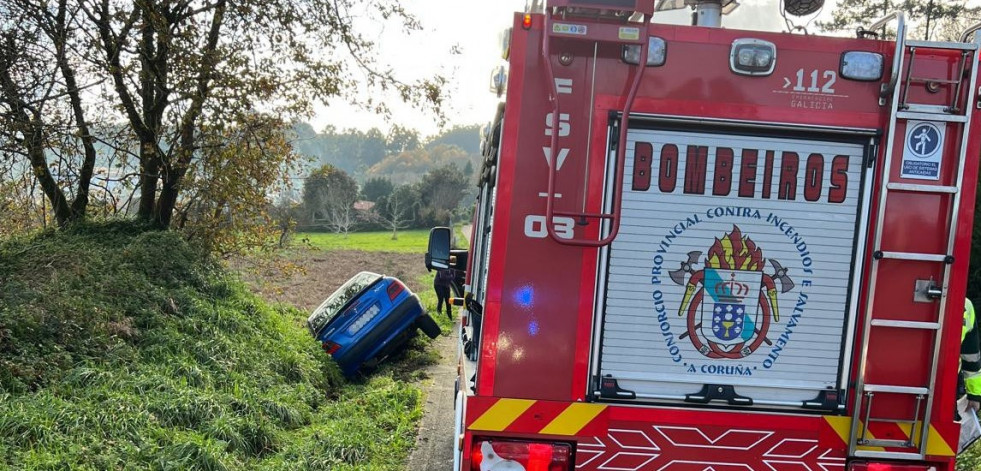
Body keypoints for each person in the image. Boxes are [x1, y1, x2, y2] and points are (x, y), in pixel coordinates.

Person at [962, 298, 981, 413]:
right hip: (944, 382)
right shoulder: (966, 305)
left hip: (945, 382)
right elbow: (971, 357)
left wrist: (974, 396)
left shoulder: (966, 305)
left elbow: (970, 357)